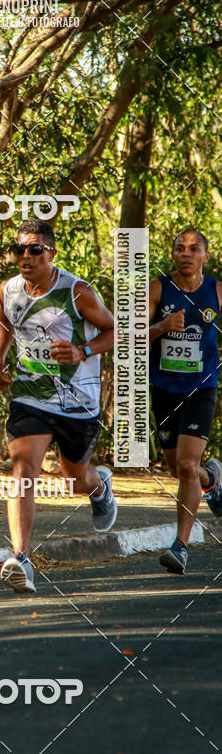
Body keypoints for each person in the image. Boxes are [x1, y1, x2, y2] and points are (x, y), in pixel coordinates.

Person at [0, 220, 116, 594]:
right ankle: (21, 559)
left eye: (35, 250)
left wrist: (82, 350)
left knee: (74, 480)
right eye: (20, 250)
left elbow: (114, 330)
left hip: (76, 402)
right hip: (29, 395)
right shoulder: (9, 289)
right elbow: (4, 318)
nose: (25, 257)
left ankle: (99, 487)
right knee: (22, 468)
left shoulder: (77, 292)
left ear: (52, 254)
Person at [149, 228, 222, 575]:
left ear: (205, 256)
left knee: (187, 467)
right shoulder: (158, 288)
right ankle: (213, 478)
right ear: (173, 254)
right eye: (180, 248)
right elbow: (129, 335)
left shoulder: (217, 292)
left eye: (194, 249)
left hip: (201, 388)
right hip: (163, 389)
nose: (186, 253)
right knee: (179, 468)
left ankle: (180, 547)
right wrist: (162, 325)